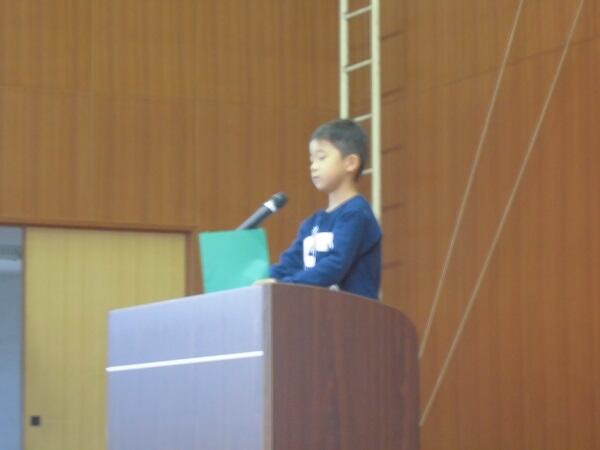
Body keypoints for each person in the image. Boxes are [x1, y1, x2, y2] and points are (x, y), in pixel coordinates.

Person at [258, 118, 382, 300]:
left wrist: (284, 284)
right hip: (318, 312)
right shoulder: (311, 224)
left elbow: (336, 263)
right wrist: (262, 280)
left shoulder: (356, 213)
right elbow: (290, 264)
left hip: (354, 314)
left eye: (321, 158)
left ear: (350, 163)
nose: (313, 166)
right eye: (311, 160)